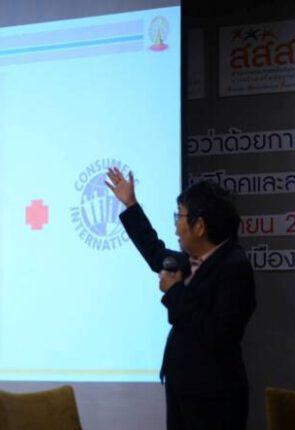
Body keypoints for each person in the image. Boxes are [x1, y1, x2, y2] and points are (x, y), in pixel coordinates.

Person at [105, 167, 256, 430]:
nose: (176, 227)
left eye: (180, 216)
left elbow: (218, 334)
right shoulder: (194, 260)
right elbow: (155, 252)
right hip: (184, 390)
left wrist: (175, 292)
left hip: (213, 401)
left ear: (200, 226)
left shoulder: (234, 267)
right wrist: (130, 205)